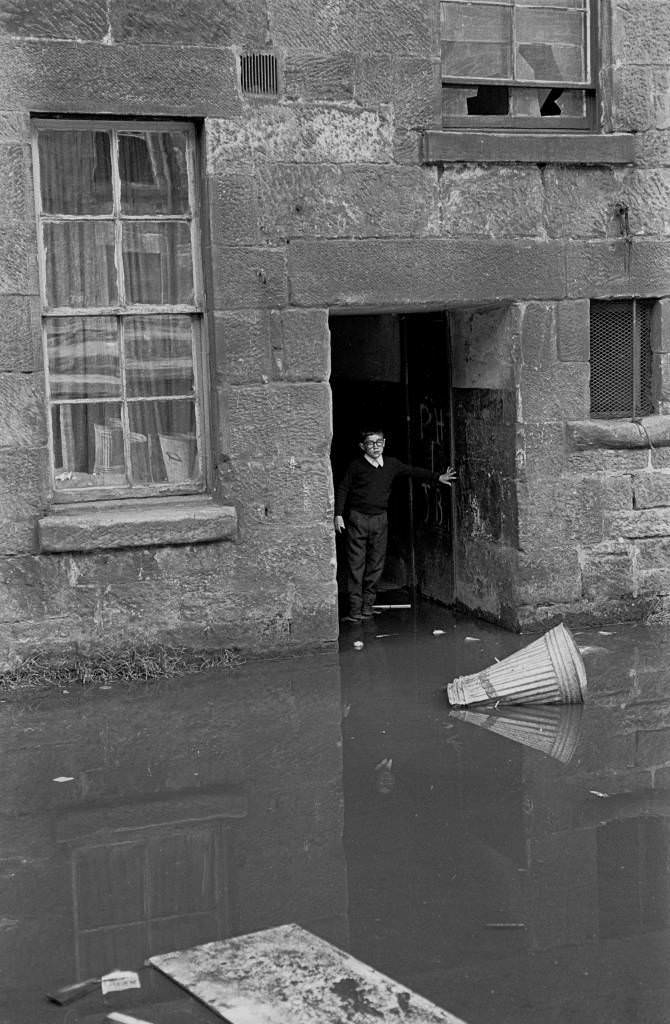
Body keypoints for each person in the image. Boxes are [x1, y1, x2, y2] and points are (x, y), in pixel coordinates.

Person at [334, 428, 456, 622]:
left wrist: (437, 477)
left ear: (384, 443)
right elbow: (343, 488)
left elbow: (412, 471)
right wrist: (338, 514)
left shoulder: (391, 464)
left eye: (379, 442)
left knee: (376, 564)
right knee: (356, 565)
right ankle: (355, 611)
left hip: (380, 519)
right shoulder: (356, 466)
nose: (375, 447)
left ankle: (367, 607)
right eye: (370, 443)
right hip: (358, 518)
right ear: (362, 446)